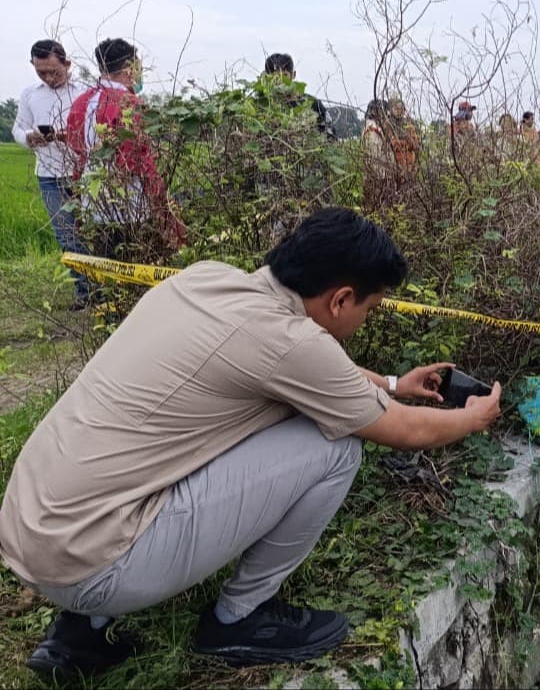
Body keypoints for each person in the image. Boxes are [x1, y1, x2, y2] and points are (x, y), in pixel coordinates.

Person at [1, 207, 503, 678]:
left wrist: (393, 384)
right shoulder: (291, 342)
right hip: (94, 564)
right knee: (337, 448)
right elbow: (405, 431)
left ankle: (78, 629)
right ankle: (240, 618)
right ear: (341, 299)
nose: (365, 318)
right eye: (369, 308)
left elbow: (314, 372)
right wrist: (474, 418)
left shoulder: (207, 279)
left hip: (31, 529)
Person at [67, 38, 185, 255]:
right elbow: (137, 162)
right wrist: (163, 204)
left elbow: (76, 151)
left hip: (92, 202)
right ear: (130, 68)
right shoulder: (129, 104)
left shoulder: (81, 102)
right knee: (136, 264)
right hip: (130, 206)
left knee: (106, 268)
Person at [13, 39, 91, 306]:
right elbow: (18, 129)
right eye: (40, 71)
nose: (47, 77)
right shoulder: (30, 95)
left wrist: (73, 136)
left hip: (86, 174)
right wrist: (29, 138)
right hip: (48, 174)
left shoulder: (85, 91)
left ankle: (107, 290)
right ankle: (85, 294)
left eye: (53, 71)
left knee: (96, 231)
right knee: (66, 235)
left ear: (67, 64)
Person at [262, 53, 329, 136]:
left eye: (285, 75)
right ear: (267, 77)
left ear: (293, 75)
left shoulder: (313, 104)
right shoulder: (263, 104)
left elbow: (331, 136)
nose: (280, 81)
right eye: (275, 76)